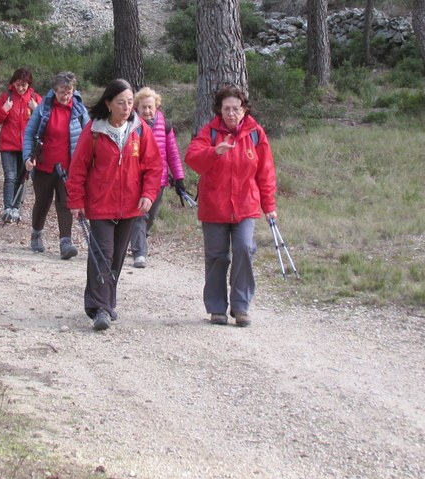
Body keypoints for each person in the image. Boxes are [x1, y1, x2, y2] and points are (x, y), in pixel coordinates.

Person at [67, 79, 162, 331]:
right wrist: (76, 201)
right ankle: (100, 308)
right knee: (102, 255)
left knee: (117, 258)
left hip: (131, 206)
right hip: (100, 205)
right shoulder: (94, 131)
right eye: (121, 102)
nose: (127, 107)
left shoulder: (140, 129)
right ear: (108, 104)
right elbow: (78, 168)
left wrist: (148, 194)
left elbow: (153, 166)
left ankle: (107, 303)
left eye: (130, 102)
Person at [184, 85, 276, 328]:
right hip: (214, 207)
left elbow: (265, 172)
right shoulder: (210, 132)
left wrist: (269, 206)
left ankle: (241, 306)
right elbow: (192, 158)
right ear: (219, 110)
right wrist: (215, 152)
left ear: (244, 109)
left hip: (246, 206)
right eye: (227, 109)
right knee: (217, 257)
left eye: (236, 108)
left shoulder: (255, 133)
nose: (232, 113)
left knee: (244, 249)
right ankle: (216, 309)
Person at [22, 72, 89, 258]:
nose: (65, 96)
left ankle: (65, 242)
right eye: (61, 92)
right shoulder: (43, 108)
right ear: (54, 90)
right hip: (44, 165)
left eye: (69, 92)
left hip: (69, 167)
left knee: (65, 202)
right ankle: (36, 233)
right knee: (42, 202)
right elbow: (29, 134)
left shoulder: (79, 110)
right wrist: (27, 157)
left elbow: (90, 136)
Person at [129, 87, 188, 268]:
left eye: (150, 107)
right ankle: (139, 252)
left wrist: (179, 179)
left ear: (156, 107)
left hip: (159, 180)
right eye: (143, 107)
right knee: (140, 214)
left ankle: (138, 239)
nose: (147, 111)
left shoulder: (165, 125)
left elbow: (173, 154)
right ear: (136, 108)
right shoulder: (130, 124)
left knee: (150, 216)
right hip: (136, 179)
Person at [0, 67, 41, 224]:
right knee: (10, 176)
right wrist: (4, 110)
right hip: (8, 145)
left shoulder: (35, 98)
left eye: (24, 85)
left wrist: (36, 110)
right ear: (13, 83)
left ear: (29, 84)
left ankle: (16, 208)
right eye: (18, 84)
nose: (21, 88)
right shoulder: (6, 97)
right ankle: (7, 208)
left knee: (21, 177)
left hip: (27, 146)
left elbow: (47, 120)